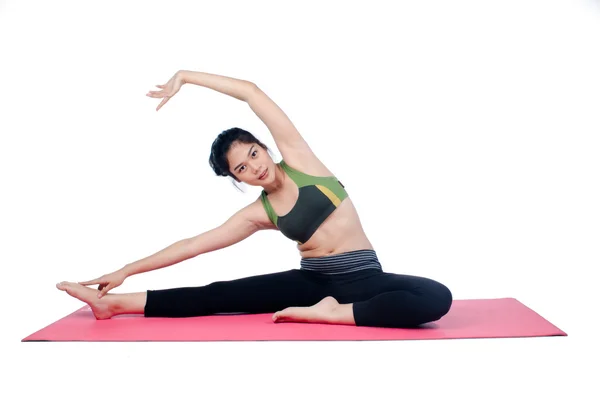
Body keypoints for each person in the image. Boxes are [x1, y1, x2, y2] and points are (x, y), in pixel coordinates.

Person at [56, 70, 453, 328]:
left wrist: (186, 77)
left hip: (366, 279)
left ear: (264, 146)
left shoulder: (302, 160)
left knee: (436, 298)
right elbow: (193, 246)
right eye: (241, 169)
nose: (253, 166)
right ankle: (113, 305)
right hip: (310, 284)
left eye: (252, 154)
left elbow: (251, 92)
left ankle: (337, 315)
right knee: (220, 294)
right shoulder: (258, 213)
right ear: (238, 179)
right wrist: (128, 268)